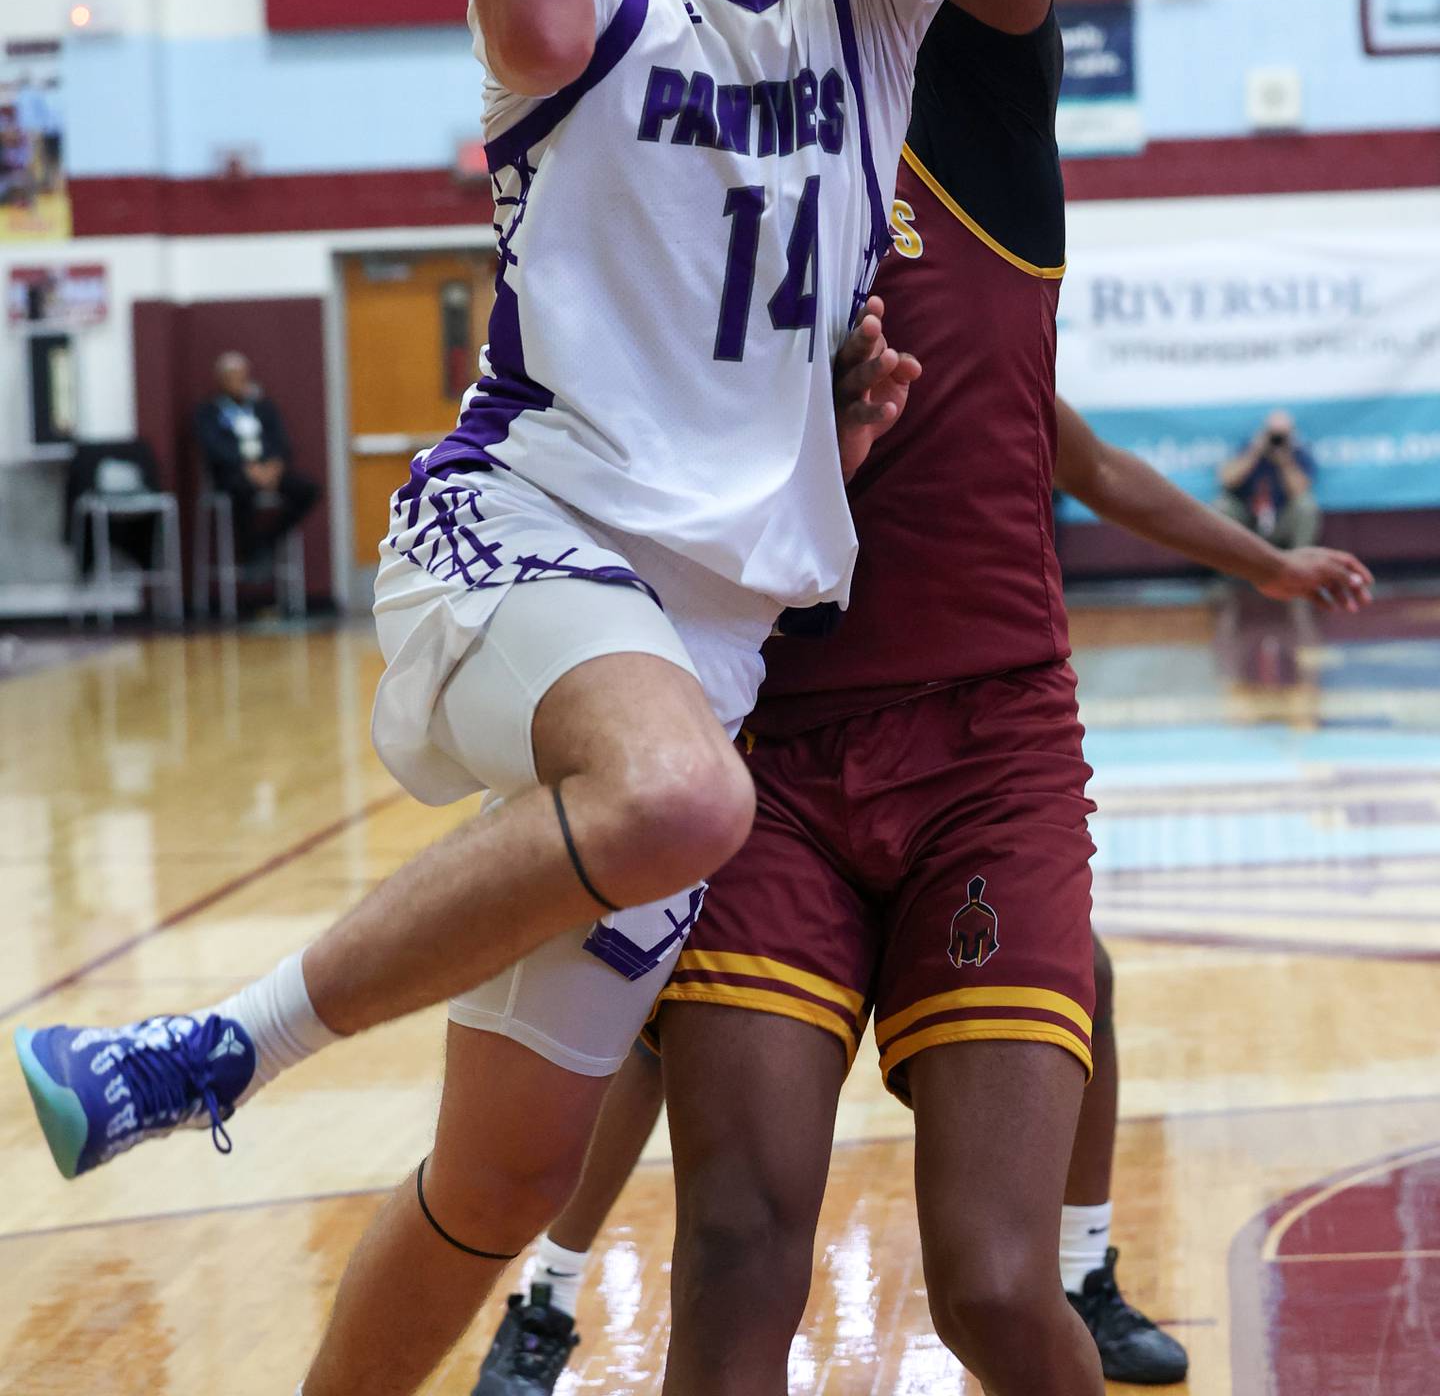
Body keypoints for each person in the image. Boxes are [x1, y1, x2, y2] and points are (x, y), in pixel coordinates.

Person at [14, 0, 1027, 1396]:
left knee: (495, 1185)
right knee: (675, 795)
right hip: (527, 540)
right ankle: (196, 1054)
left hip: (716, 625)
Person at [473, 0, 1376, 1393]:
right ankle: (525, 1288)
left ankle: (1082, 1262)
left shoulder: (959, 60)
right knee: (739, 1252)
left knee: (989, 1291)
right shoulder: (678, 85)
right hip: (759, 738)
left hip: (984, 734)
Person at [473, 412, 1371, 1391]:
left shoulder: (983, 302)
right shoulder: (729, 312)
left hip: (964, 753)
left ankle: (1081, 1274)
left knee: (1082, 993)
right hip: (753, 725)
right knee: (648, 1009)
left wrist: (1260, 563)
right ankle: (548, 1300)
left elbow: (1097, 463)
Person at [194, 351, 321, 561]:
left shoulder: (262, 407)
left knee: (307, 490)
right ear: (221, 381)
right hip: (234, 473)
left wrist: (273, 466)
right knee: (242, 491)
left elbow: (281, 441)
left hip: (269, 470)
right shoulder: (209, 411)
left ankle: (269, 541)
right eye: (231, 377)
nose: (237, 382)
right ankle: (248, 551)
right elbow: (213, 447)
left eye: (241, 376)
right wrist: (246, 467)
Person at [1216, 410, 1321, 549]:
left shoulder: (1298, 452)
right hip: (1247, 520)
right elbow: (1227, 480)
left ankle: (1300, 561)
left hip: (1280, 519)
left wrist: (1285, 462)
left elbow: (1299, 490)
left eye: (1281, 436)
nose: (1276, 440)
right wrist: (1254, 452)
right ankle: (1227, 567)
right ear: (1264, 432)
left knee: (1306, 505)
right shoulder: (1248, 448)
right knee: (1222, 506)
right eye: (1273, 434)